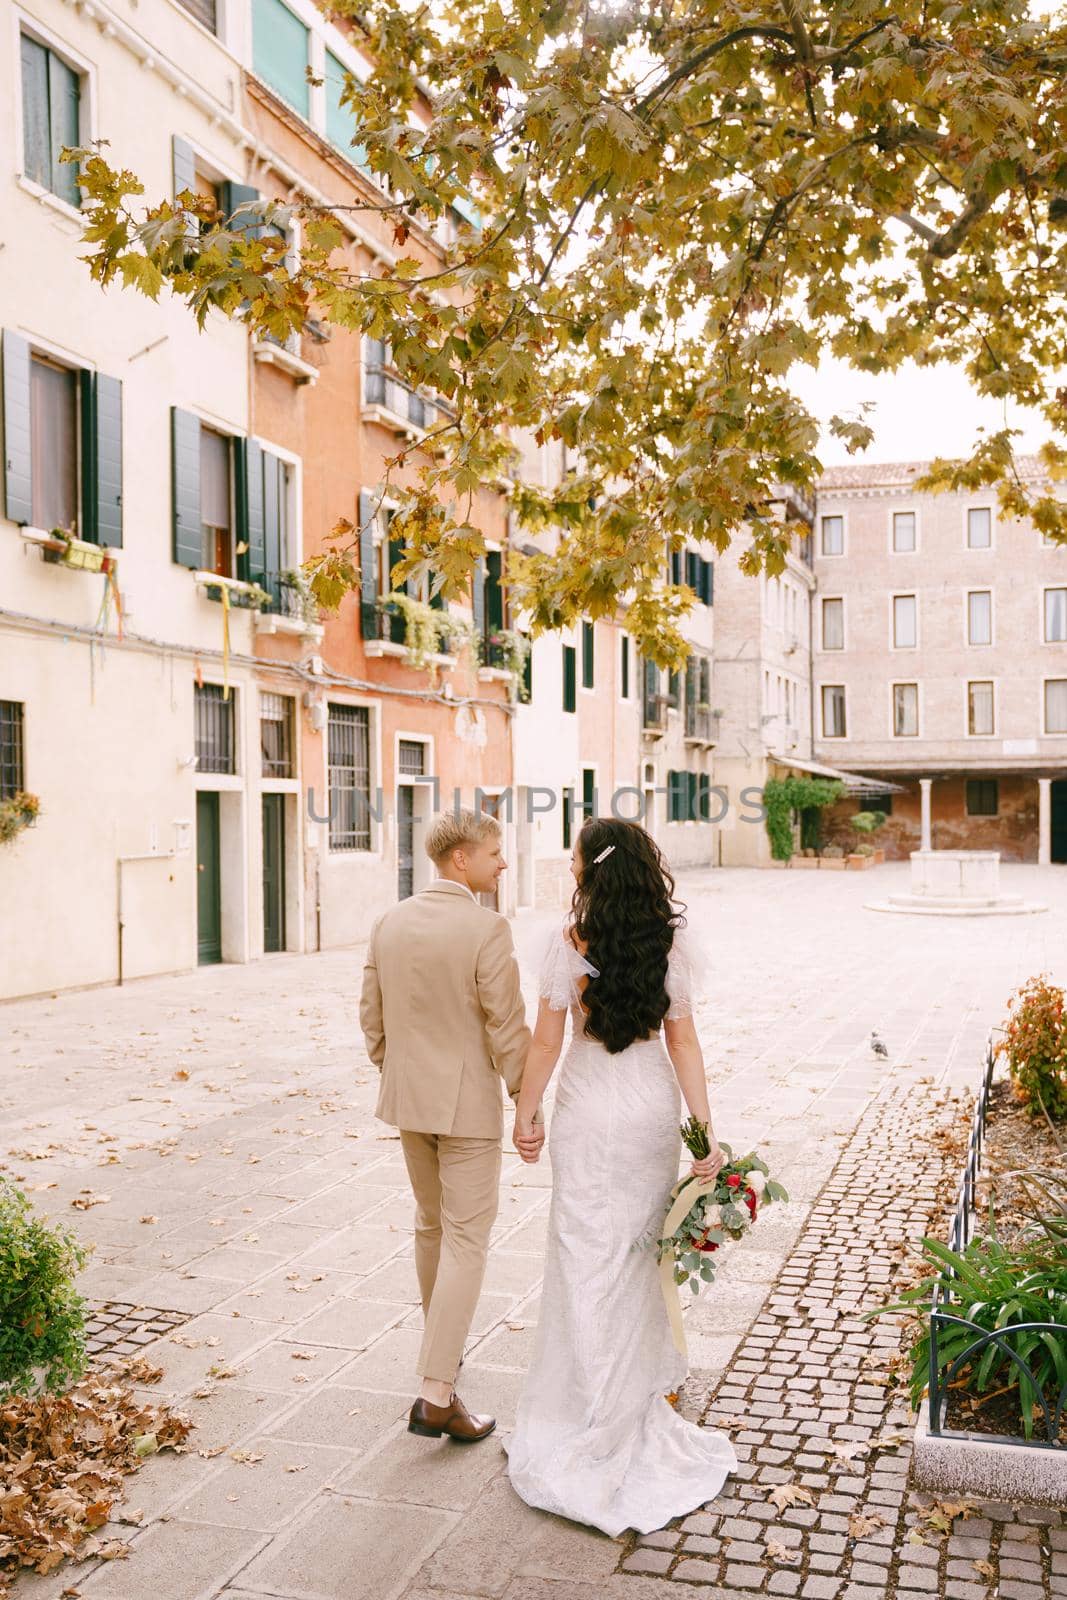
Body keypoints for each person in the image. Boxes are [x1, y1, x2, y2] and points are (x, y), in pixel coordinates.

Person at [504, 816, 738, 1536]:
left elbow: (547, 1038)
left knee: (581, 1250)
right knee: (638, 1255)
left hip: (583, 1101)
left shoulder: (563, 942)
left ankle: (582, 1405)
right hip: (644, 1106)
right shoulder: (668, 940)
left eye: (574, 858)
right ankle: (626, 1400)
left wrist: (525, 1111)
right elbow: (685, 1039)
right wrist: (703, 1133)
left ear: (589, 870)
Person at [359, 808, 540, 1443]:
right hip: (466, 1108)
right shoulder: (487, 927)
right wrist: (526, 1099)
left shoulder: (390, 921)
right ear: (461, 858)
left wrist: (399, 1070)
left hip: (409, 1102)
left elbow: (371, 1018)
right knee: (466, 1239)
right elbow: (506, 1023)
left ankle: (447, 1381)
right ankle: (436, 1392)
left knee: (432, 1228)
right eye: (496, 852)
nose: (504, 862)